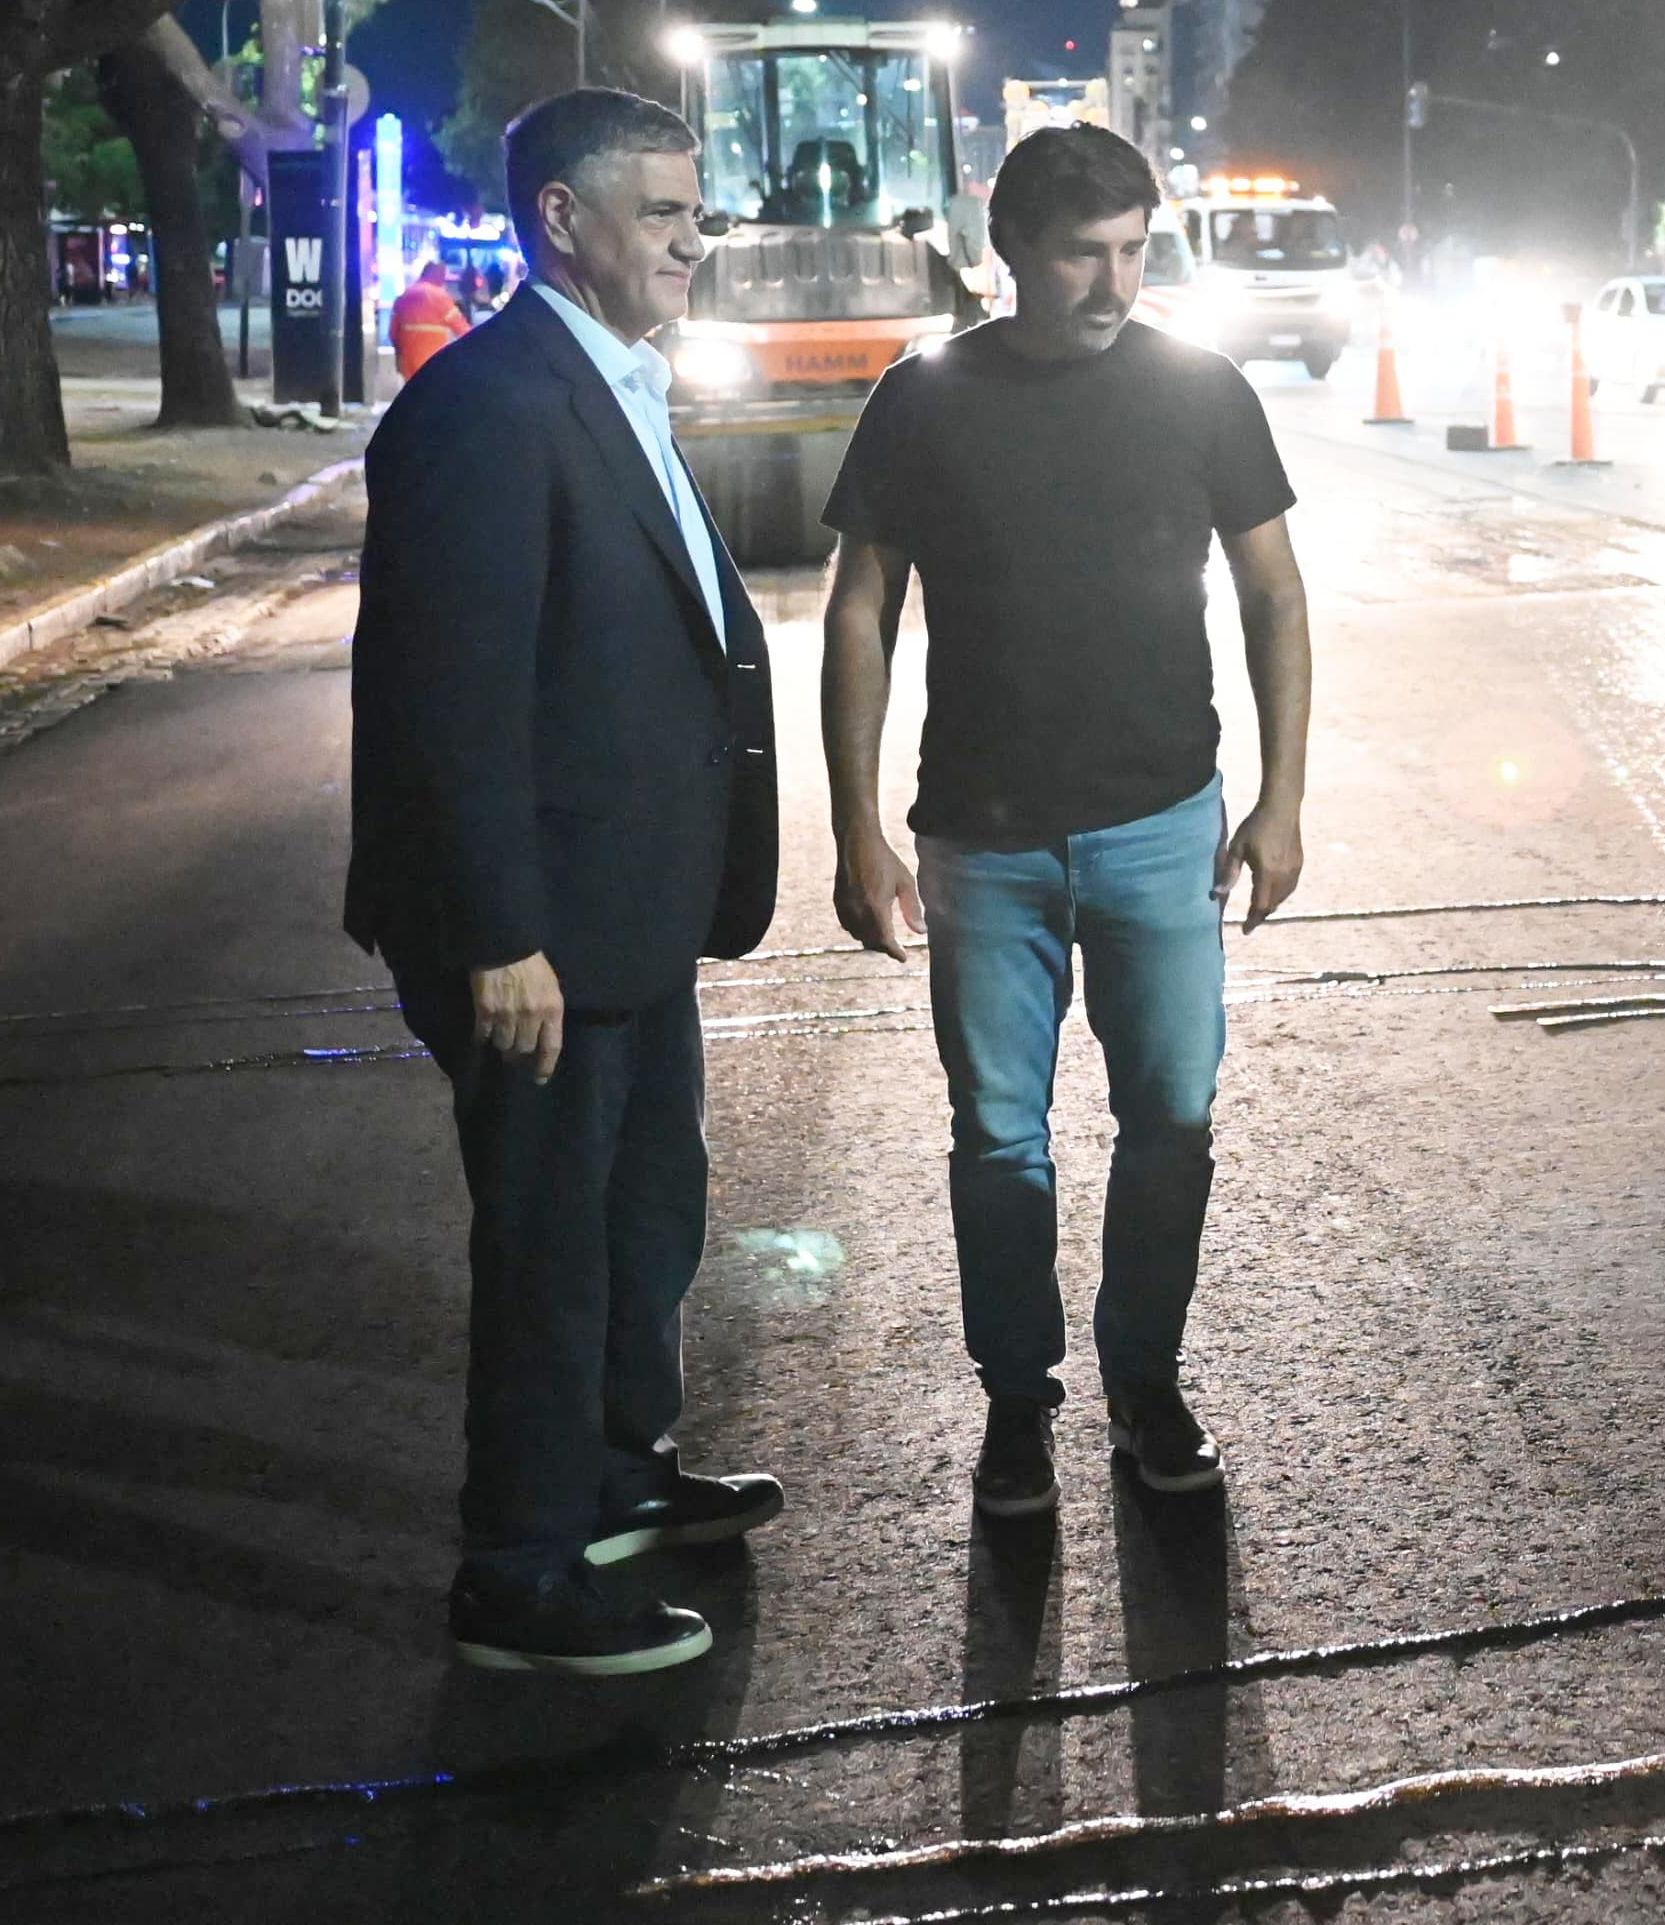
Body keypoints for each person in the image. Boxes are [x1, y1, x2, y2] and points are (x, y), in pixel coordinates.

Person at [343, 87, 785, 1675]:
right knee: (546, 1241)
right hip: (539, 923)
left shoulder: (617, 384)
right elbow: (443, 697)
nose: (692, 237)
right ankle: (520, 1570)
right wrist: (497, 930)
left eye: (693, 207)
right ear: (562, 221)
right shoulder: (485, 405)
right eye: (662, 210)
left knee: (641, 1211)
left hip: (633, 907)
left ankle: (612, 1476)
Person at [822, 121, 1311, 1519]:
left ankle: (1145, 1379)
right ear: (1012, 253)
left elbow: (1275, 590)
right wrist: (857, 829)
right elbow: (862, 607)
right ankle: (1017, 1403)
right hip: (982, 837)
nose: (1114, 281)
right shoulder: (925, 397)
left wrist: (1283, 798)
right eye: (1084, 253)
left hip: (1164, 821)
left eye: (1135, 249)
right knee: (999, 1138)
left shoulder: (1201, 390)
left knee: (1174, 1119)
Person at [389, 257, 472, 381]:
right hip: (432, 355)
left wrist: (399, 354)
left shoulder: (406, 295)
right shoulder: (439, 296)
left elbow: (393, 332)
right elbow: (461, 328)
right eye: (442, 275)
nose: (444, 280)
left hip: (408, 357)